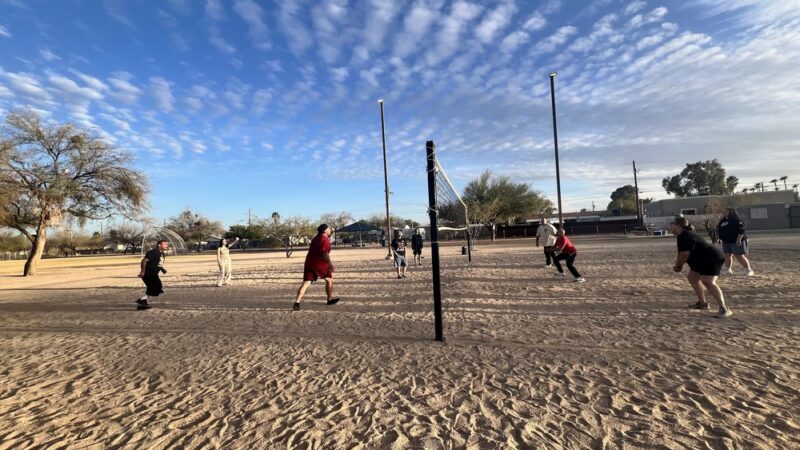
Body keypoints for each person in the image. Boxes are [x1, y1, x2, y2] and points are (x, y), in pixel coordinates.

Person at [670, 216, 732, 318]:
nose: (670, 226)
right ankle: (702, 303)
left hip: (711, 258)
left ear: (678, 225)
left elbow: (684, 254)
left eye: (671, 224)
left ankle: (724, 308)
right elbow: (682, 253)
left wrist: (678, 266)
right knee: (693, 277)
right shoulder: (683, 235)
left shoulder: (684, 235)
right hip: (702, 260)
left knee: (708, 281)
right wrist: (678, 265)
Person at [293, 224, 339, 311]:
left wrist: (332, 230)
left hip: (309, 263)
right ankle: (329, 300)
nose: (330, 230)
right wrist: (331, 264)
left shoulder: (316, 238)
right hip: (320, 264)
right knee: (329, 280)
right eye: (329, 228)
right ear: (325, 230)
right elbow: (325, 253)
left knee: (306, 283)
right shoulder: (324, 239)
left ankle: (297, 303)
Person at [716, 208, 754, 276]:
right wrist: (719, 238)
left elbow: (741, 230)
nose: (724, 212)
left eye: (726, 211)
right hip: (726, 242)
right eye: (724, 211)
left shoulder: (737, 220)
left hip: (736, 241)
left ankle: (748, 270)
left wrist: (739, 239)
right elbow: (720, 230)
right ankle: (728, 269)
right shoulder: (723, 221)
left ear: (731, 212)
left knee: (739, 256)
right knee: (727, 255)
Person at [136, 239, 169, 310]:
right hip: (148, 273)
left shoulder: (162, 253)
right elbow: (144, 261)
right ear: (159, 245)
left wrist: (162, 269)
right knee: (156, 287)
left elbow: (158, 263)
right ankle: (142, 300)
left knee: (154, 287)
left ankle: (142, 304)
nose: (167, 245)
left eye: (167, 244)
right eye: (165, 244)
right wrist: (142, 271)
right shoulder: (153, 252)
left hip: (153, 273)